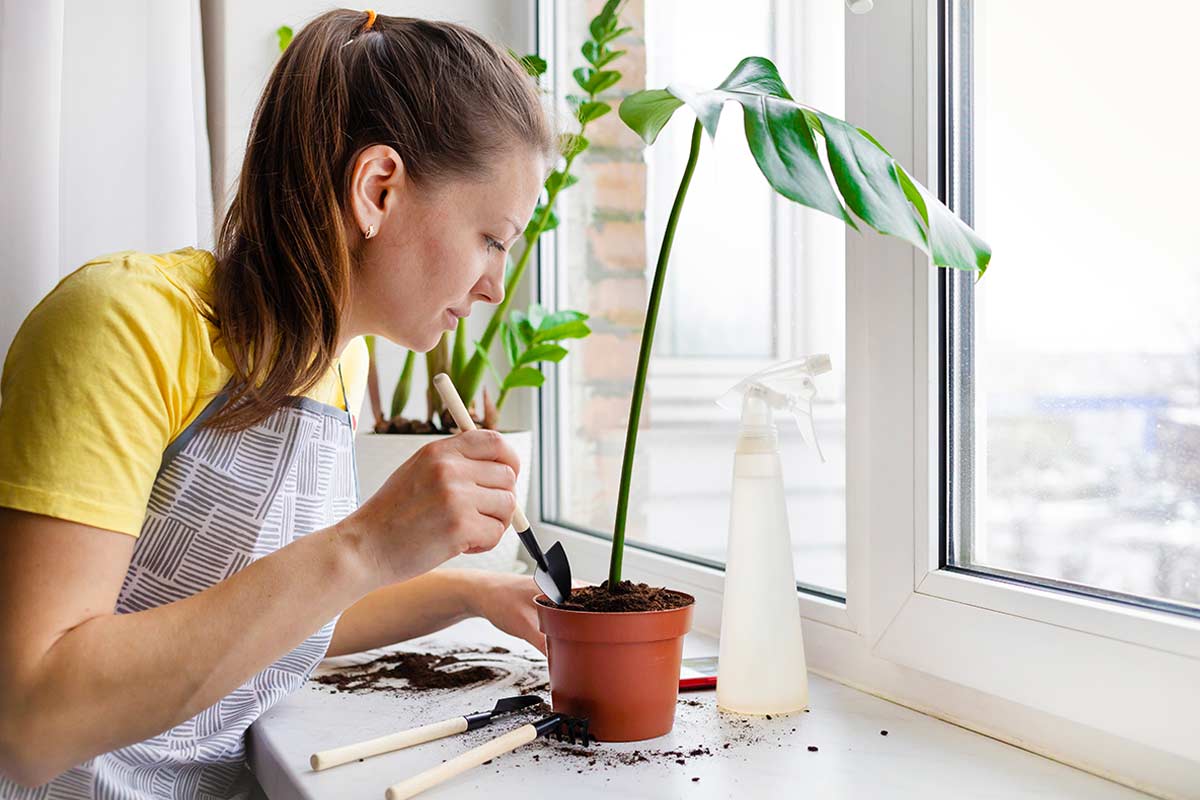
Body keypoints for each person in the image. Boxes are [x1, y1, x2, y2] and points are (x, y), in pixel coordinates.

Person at [0, 9, 554, 798]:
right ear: (378, 188)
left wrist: (475, 594)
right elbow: (28, 724)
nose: (496, 282)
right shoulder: (120, 327)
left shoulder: (336, 365)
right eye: (493, 238)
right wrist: (364, 544)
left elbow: (274, 619)